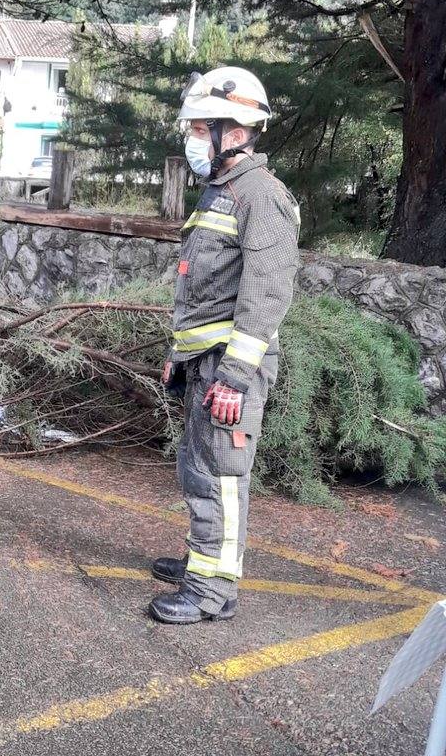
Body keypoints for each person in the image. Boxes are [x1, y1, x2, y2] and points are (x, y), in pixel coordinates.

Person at [149, 67, 299, 626]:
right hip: (204, 362)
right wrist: (178, 355)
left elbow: (267, 292)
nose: (190, 138)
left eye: (198, 127)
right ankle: (203, 560)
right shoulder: (223, 192)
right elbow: (201, 286)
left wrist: (234, 378)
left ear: (233, 132)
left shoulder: (262, 196)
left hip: (231, 369)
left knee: (224, 477)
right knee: (199, 469)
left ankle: (214, 590)